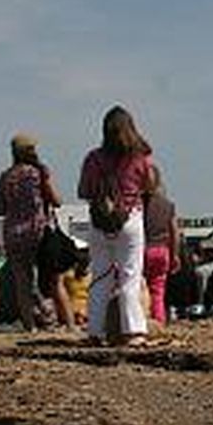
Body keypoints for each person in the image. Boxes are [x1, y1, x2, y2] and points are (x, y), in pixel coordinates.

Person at [77, 105, 157, 346]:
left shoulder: (93, 158)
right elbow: (150, 186)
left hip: (100, 221)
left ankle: (95, 332)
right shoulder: (139, 158)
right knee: (130, 276)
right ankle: (134, 332)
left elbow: (83, 191)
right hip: (130, 218)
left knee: (100, 276)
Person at [0, 132, 62, 331]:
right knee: (49, 280)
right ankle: (54, 320)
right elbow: (56, 201)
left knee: (22, 283)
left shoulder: (5, 177)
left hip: (13, 234)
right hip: (37, 232)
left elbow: (0, 209)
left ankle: (29, 326)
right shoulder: (37, 173)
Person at [142, 167, 181, 324]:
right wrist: (175, 255)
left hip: (142, 249)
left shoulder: (137, 205)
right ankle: (159, 321)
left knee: (139, 288)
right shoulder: (168, 205)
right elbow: (174, 232)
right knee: (158, 290)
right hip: (161, 251)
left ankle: (140, 321)